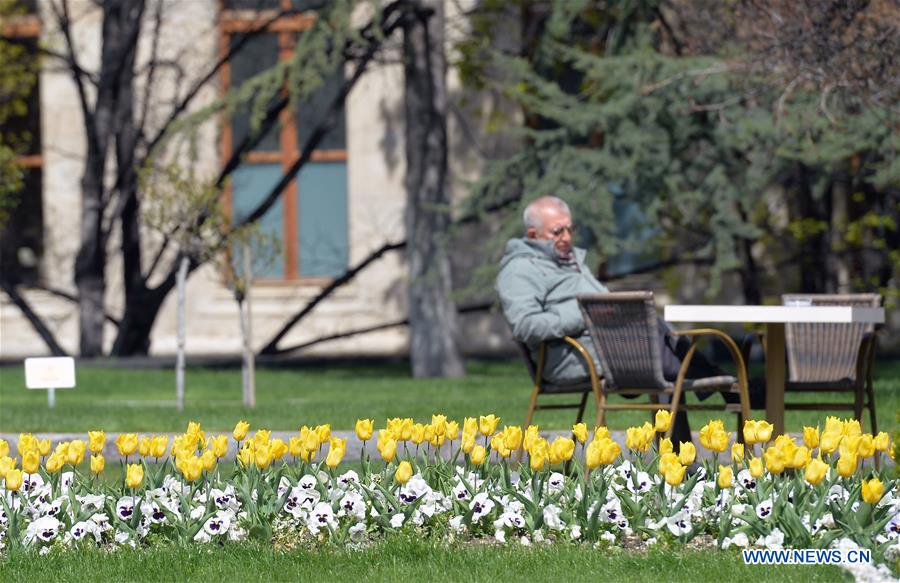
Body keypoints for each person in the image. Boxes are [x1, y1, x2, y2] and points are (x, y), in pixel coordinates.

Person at [495, 195, 748, 446]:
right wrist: (587, 314)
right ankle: (727, 385)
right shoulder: (520, 270)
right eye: (557, 232)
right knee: (662, 352)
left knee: (652, 324)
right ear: (533, 235)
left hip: (606, 349)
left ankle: (681, 458)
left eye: (570, 229)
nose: (567, 238)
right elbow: (525, 325)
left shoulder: (569, 262)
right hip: (570, 358)